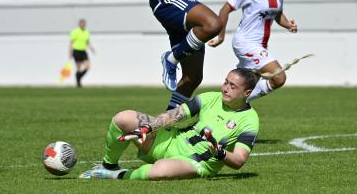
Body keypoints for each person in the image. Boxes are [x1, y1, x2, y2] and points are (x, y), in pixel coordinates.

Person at [79, 68, 259, 180]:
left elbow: (238, 161)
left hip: (193, 163)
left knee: (160, 171)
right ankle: (108, 165)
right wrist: (149, 127)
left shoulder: (250, 120)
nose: (225, 88)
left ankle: (115, 175)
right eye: (226, 82)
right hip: (170, 141)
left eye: (233, 86)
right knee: (123, 118)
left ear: (247, 92)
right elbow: (175, 115)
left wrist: (220, 152)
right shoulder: (211, 98)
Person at [208, 0, 298, 101]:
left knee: (245, 85)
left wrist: (288, 25)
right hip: (246, 43)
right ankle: (240, 101)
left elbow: (277, 15)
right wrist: (221, 37)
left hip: (260, 45)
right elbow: (225, 10)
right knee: (279, 77)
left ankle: (224, 105)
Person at [69, 19, 95, 87]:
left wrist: (91, 48)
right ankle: (78, 83)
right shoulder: (75, 31)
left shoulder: (86, 32)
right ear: (79, 24)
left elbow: (88, 42)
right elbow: (71, 42)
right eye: (81, 23)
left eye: (84, 24)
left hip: (83, 51)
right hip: (76, 51)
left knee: (87, 66)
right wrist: (70, 52)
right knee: (79, 68)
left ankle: (79, 78)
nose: (83, 25)